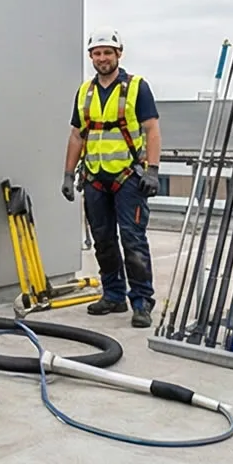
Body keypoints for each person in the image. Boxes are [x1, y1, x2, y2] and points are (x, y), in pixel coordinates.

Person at [61, 27, 162, 328]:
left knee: (132, 240)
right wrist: (68, 173)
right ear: (91, 56)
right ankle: (114, 295)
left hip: (129, 178)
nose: (102, 58)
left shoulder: (136, 88)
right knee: (103, 241)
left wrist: (153, 170)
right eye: (97, 53)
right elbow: (77, 135)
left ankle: (142, 301)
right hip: (94, 178)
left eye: (107, 52)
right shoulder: (84, 92)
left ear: (119, 54)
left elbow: (152, 129)